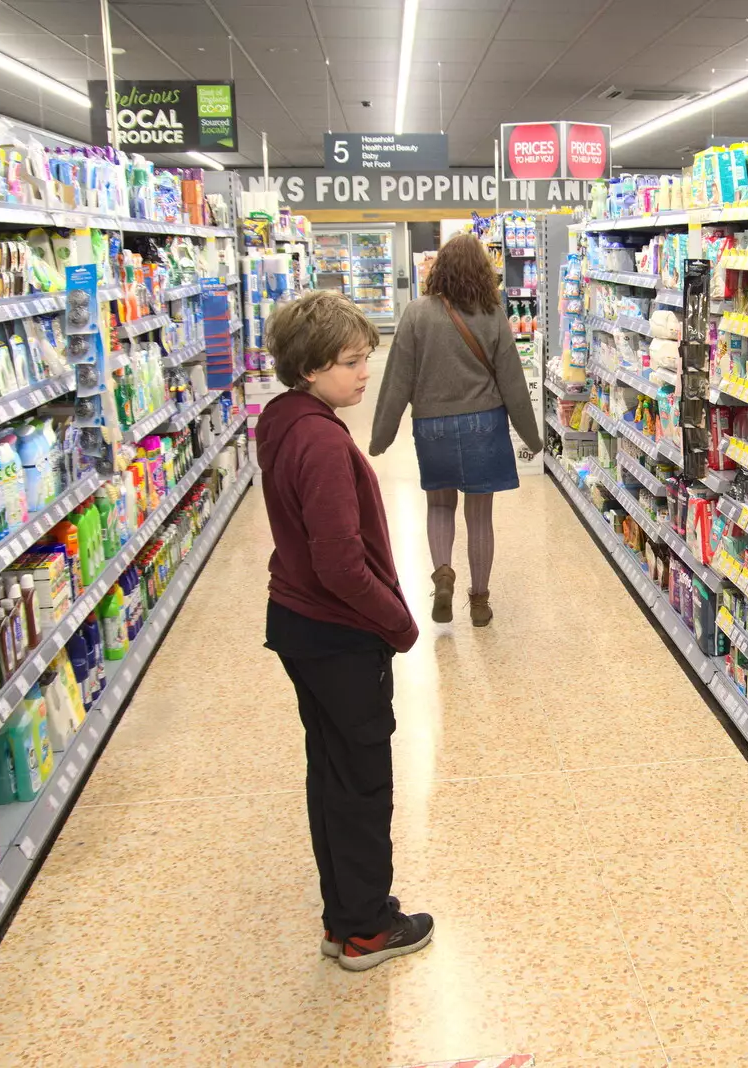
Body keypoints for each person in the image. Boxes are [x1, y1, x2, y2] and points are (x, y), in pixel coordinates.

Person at [257, 290, 433, 971]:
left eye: (366, 359)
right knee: (363, 782)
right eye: (352, 362)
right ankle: (366, 928)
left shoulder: (282, 419)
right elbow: (339, 563)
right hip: (337, 633)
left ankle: (342, 916)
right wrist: (398, 622)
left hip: (299, 624)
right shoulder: (321, 441)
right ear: (310, 366)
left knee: (330, 773)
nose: (366, 373)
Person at [369, 232, 543, 627]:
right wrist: (532, 439)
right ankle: (479, 601)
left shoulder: (415, 313)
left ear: (439, 270)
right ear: (483, 273)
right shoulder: (493, 315)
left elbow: (398, 380)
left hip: (432, 427)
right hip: (484, 424)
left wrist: (381, 437)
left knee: (440, 506)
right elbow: (513, 383)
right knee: (479, 517)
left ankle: (443, 575)